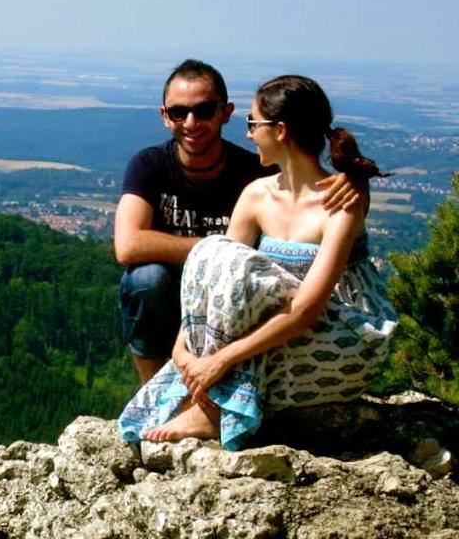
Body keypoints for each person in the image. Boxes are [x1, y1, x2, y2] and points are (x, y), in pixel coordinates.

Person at [118, 74, 397, 450]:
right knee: (216, 253)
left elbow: (306, 309)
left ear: (280, 131)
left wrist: (220, 361)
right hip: (280, 324)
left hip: (340, 330)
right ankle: (209, 398)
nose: (248, 134)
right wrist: (183, 347)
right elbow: (215, 278)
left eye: (253, 123)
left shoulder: (339, 203)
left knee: (236, 284)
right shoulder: (257, 195)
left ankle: (213, 410)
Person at [114, 60, 360, 384]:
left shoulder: (255, 175)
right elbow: (129, 246)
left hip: (240, 303)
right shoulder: (150, 166)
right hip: (176, 292)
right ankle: (154, 389)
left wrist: (357, 181)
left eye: (203, 111)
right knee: (146, 279)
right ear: (165, 116)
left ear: (224, 112)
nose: (191, 122)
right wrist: (216, 249)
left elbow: (305, 181)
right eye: (178, 112)